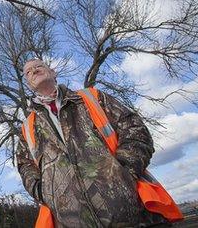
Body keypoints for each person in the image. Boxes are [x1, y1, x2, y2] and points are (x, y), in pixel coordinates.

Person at [17, 58, 178, 227]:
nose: (34, 71)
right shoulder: (27, 127)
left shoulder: (91, 97)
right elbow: (25, 166)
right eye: (28, 72)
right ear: (28, 84)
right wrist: (46, 194)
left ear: (53, 73)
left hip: (132, 214)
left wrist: (123, 172)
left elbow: (134, 128)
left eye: (38, 66)